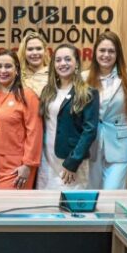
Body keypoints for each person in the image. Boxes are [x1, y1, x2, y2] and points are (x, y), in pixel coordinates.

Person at [83, 32, 127, 190]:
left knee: (113, 191)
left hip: (120, 144)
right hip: (91, 144)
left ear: (118, 54)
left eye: (111, 51)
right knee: (93, 193)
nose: (106, 55)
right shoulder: (84, 77)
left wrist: (124, 111)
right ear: (95, 52)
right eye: (102, 50)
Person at [37, 43, 99, 190]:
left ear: (76, 63)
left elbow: (89, 131)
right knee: (46, 201)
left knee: (68, 201)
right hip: (46, 159)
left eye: (67, 59)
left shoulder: (88, 93)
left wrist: (73, 162)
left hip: (70, 161)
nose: (62, 63)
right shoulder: (48, 91)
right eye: (58, 60)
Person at [0, 50, 42, 189]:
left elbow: (35, 132)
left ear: (17, 70)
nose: (3, 71)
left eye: (8, 66)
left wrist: (28, 165)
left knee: (10, 202)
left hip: (16, 165)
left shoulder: (27, 96)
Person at [17, 31, 50, 97]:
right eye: (30, 49)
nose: (35, 53)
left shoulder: (54, 74)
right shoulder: (17, 75)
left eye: (39, 49)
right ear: (23, 52)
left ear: (45, 51)